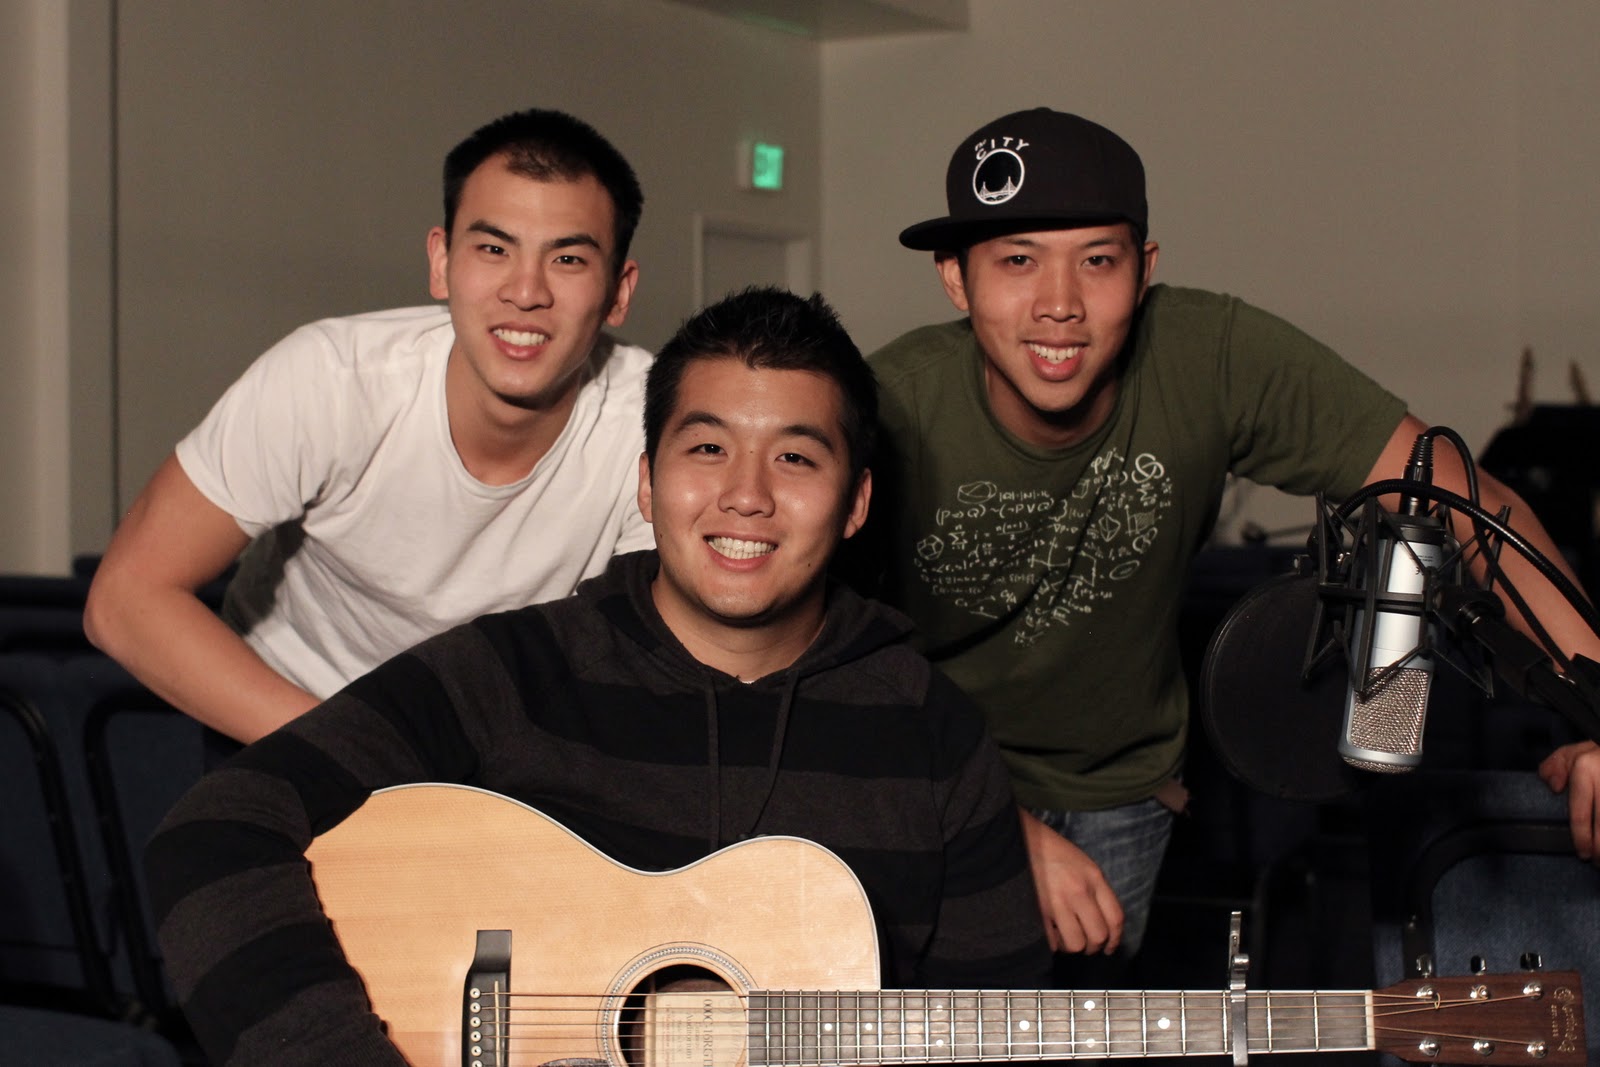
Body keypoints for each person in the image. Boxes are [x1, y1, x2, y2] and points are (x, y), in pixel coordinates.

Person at [143, 287, 1052, 1066]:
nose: (746, 494)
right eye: (707, 448)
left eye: (796, 457)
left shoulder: (935, 735)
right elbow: (214, 834)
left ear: (855, 502)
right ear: (647, 483)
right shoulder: (513, 670)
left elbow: (995, 1022)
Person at [854, 107, 1600, 970]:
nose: (1059, 305)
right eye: (1018, 261)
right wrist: (987, 817)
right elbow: (819, 649)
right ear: (955, 278)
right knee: (928, 1024)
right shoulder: (886, 406)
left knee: (1083, 1032)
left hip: (1120, 785)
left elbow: (1467, 501)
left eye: (1098, 260)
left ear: (1144, 270)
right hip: (930, 772)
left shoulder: (1211, 355)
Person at [83, 107, 652, 747]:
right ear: (442, 262)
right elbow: (126, 599)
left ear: (618, 292)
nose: (525, 292)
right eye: (493, 249)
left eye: (568, 259)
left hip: (503, 754)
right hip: (289, 719)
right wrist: (363, 757)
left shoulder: (657, 428)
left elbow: (657, 674)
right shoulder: (332, 381)